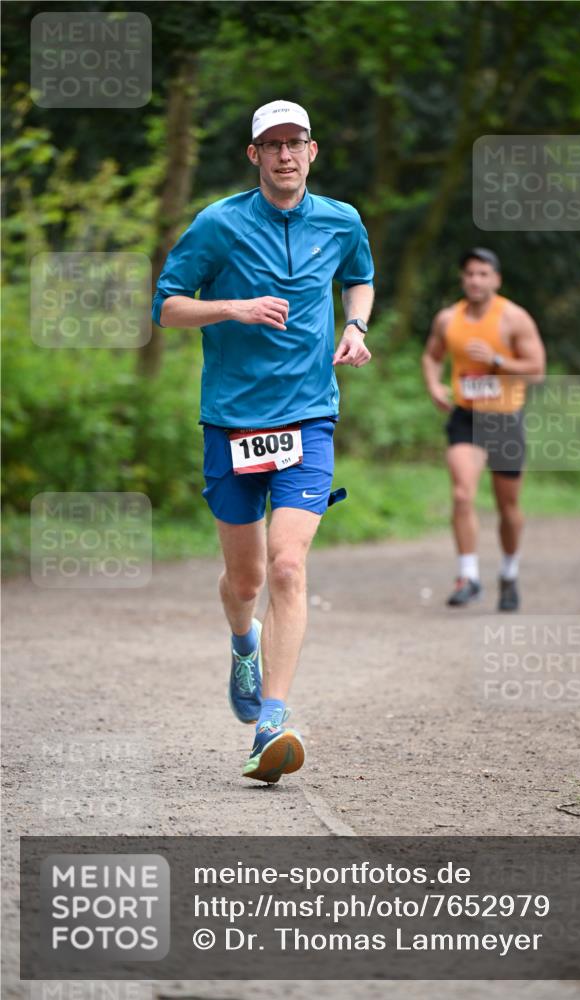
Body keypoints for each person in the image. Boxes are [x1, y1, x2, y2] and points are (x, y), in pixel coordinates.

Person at [152, 100, 374, 783]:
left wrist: (356, 327)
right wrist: (233, 307)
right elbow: (167, 306)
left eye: (294, 142)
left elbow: (359, 277)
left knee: (286, 567)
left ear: (313, 150)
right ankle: (242, 642)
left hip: (307, 417)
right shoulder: (218, 224)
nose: (283, 154)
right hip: (232, 421)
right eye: (271, 144)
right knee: (244, 580)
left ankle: (270, 723)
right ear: (254, 155)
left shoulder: (341, 220)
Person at [421, 248, 545, 611]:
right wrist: (433, 385)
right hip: (466, 416)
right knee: (462, 494)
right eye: (470, 274)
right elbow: (432, 355)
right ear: (463, 279)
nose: (475, 280)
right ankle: (469, 576)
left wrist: (497, 360)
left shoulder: (513, 318)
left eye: (483, 274)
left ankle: (508, 572)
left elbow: (537, 369)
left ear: (496, 279)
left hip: (504, 417)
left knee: (508, 507)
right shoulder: (448, 318)